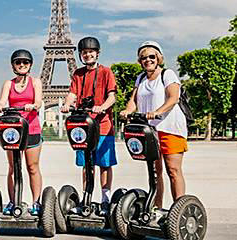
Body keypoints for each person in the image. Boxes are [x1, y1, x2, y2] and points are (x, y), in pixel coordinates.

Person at [120, 41, 188, 208]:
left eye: (152, 56)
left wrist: (157, 111)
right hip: (150, 130)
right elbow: (133, 101)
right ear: (140, 61)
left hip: (170, 128)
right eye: (144, 57)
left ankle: (178, 210)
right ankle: (156, 209)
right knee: (155, 173)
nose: (148, 60)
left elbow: (173, 97)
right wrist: (127, 111)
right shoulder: (141, 78)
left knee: (173, 170)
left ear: (158, 58)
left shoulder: (168, 74)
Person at [61, 36, 117, 215]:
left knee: (104, 164)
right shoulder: (78, 74)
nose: (88, 55)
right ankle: (87, 197)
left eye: (91, 52)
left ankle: (105, 198)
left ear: (97, 53)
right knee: (87, 165)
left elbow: (112, 96)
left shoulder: (106, 72)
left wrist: (102, 107)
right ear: (81, 55)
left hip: (102, 125)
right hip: (83, 127)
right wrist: (67, 104)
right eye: (84, 52)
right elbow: (72, 94)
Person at [0, 49, 43, 215]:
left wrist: (33, 105)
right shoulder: (9, 83)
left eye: (25, 62)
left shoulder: (36, 82)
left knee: (32, 167)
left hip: (32, 128)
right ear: (13, 65)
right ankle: (13, 201)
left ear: (30, 65)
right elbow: (2, 100)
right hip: (13, 130)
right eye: (18, 62)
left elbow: (38, 102)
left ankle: (36, 202)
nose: (22, 65)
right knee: (13, 167)